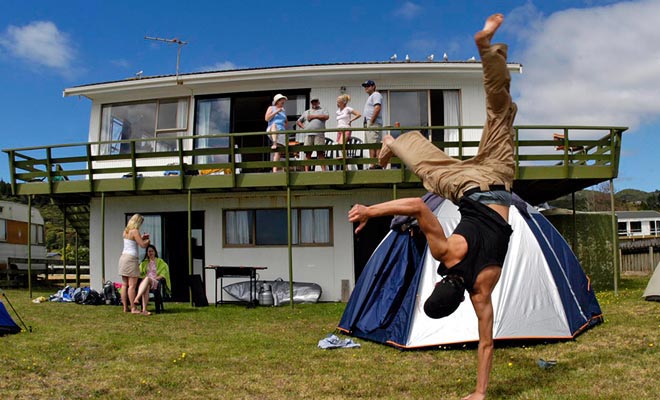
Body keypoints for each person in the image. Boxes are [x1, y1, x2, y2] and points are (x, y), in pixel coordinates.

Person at [348, 14, 514, 400]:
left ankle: (392, 141)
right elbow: (416, 207)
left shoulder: (482, 292)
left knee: (500, 109)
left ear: (459, 301)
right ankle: (394, 141)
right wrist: (371, 212)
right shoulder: (446, 253)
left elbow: (486, 344)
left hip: (499, 181)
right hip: (466, 188)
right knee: (423, 164)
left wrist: (480, 393)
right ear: (439, 283)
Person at [118, 214, 150, 314]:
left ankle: (125, 307)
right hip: (131, 259)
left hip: (123, 257)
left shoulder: (126, 231)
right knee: (132, 285)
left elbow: (132, 242)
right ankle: (133, 308)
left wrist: (141, 237)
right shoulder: (135, 231)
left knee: (124, 284)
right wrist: (147, 241)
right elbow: (143, 245)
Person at [136, 244, 171, 315]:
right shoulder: (144, 263)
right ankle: (144, 310)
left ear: (155, 252)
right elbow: (139, 273)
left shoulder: (160, 262)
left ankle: (137, 297)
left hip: (156, 282)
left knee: (147, 279)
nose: (150, 253)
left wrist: (153, 278)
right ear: (147, 253)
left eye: (152, 251)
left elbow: (163, 274)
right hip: (147, 283)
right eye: (149, 251)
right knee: (146, 285)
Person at [297, 98, 330, 172]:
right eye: (312, 102)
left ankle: (324, 171)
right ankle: (306, 171)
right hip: (308, 134)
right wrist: (304, 127)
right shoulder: (306, 112)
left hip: (319, 134)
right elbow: (298, 121)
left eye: (315, 102)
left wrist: (314, 116)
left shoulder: (323, 110)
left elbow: (326, 117)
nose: (314, 103)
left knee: (320, 153)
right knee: (308, 153)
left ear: (318, 102)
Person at [361, 79, 383, 169]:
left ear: (373, 86)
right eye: (365, 86)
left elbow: (377, 108)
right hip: (369, 124)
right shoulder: (371, 97)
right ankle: (372, 165)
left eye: (368, 86)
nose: (366, 88)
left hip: (373, 124)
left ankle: (377, 165)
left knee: (375, 144)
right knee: (371, 145)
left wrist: (372, 121)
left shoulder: (376, 94)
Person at [265, 93, 288, 172]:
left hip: (281, 131)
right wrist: (276, 111)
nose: (283, 102)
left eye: (283, 100)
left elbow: (286, 121)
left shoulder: (283, 110)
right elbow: (267, 118)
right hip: (272, 129)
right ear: (277, 101)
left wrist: (284, 125)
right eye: (281, 100)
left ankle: (276, 169)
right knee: (274, 125)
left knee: (278, 151)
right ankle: (274, 143)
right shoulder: (271, 108)